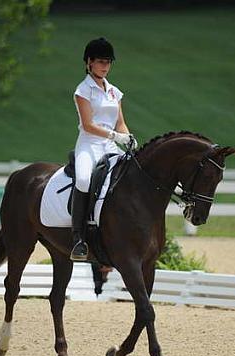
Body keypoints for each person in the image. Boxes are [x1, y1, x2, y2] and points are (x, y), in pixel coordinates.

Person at [70, 37, 136, 261]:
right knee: (83, 180)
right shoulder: (82, 90)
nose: (105, 66)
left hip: (110, 145)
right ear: (89, 62)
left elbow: (120, 122)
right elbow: (88, 125)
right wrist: (114, 136)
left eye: (108, 62)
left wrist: (127, 137)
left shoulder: (114, 92)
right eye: (100, 62)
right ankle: (78, 237)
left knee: (129, 176)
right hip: (89, 145)